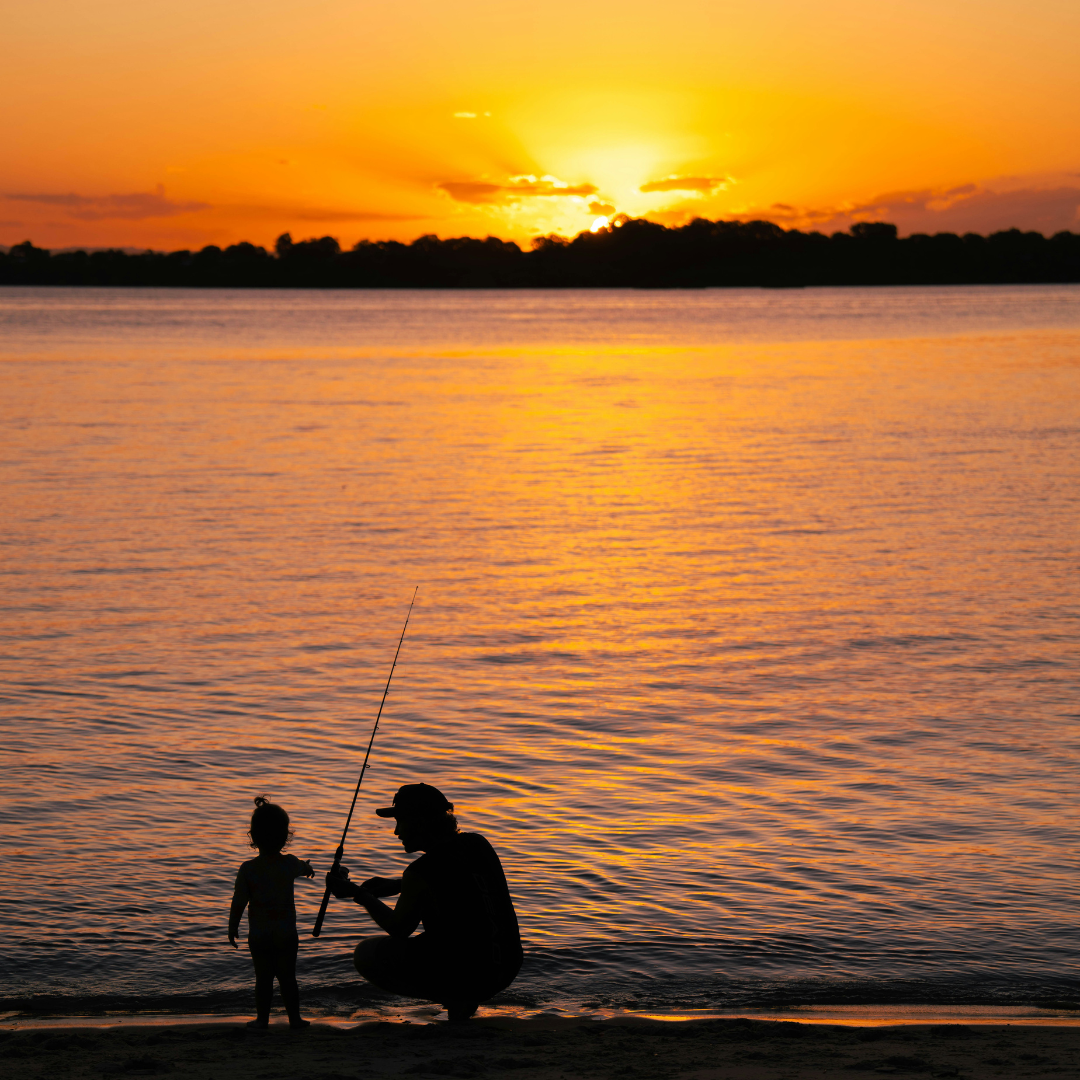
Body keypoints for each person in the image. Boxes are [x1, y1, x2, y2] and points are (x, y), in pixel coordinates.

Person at [326, 783, 522, 1022]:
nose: (396, 832)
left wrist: (359, 895)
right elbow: (457, 878)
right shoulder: (477, 844)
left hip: (469, 975)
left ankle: (456, 999)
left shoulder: (420, 872)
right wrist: (398, 885)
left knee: (365, 954)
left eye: (400, 822)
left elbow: (400, 928)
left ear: (420, 822)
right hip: (505, 968)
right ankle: (461, 999)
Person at [229, 796, 315, 1029]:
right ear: (286, 837)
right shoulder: (289, 864)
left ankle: (262, 1020)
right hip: (286, 933)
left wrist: (232, 926)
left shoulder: (248, 869)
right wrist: (308, 868)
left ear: (254, 837)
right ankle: (295, 1019)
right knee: (288, 978)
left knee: (263, 979)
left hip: (259, 934)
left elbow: (239, 901)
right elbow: (306, 868)